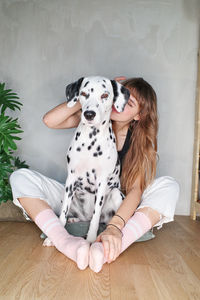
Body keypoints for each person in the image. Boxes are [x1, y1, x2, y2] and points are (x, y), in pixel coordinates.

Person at [9, 76, 180, 273]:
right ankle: (64, 240)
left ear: (138, 116)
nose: (119, 103)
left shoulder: (138, 144)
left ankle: (109, 246)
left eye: (129, 103)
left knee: (170, 186)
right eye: (117, 96)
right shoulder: (89, 117)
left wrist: (115, 226)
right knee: (20, 177)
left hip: (112, 204)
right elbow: (49, 120)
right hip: (76, 199)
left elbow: (135, 191)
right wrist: (94, 92)